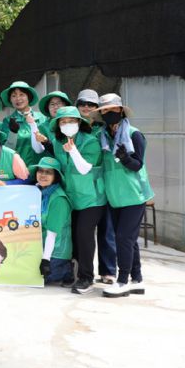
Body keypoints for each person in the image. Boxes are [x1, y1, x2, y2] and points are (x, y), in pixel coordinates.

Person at [36, 106, 107, 295]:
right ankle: (71, 272)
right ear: (58, 125)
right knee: (71, 235)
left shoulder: (91, 142)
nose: (67, 124)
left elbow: (85, 169)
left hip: (91, 198)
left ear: (79, 122)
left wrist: (74, 150)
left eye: (71, 121)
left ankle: (86, 278)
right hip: (70, 197)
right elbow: (57, 167)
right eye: (63, 121)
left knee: (84, 235)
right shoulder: (57, 143)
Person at [95, 94, 154, 298]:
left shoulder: (134, 134)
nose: (108, 113)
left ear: (120, 110)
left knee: (122, 238)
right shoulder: (103, 136)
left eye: (112, 109)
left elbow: (137, 165)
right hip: (115, 196)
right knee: (129, 240)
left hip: (134, 195)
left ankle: (122, 281)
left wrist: (125, 158)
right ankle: (137, 279)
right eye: (104, 110)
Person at [76, 88, 116, 283]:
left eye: (91, 104)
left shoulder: (104, 129)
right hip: (82, 188)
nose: (86, 107)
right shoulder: (72, 128)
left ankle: (108, 270)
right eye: (82, 104)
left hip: (105, 184)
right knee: (82, 232)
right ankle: (81, 269)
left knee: (106, 229)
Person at [33, 157, 74, 286]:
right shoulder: (37, 191)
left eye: (49, 172)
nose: (43, 175)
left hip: (56, 252)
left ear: (56, 176)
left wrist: (45, 260)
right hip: (39, 247)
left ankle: (67, 269)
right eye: (40, 170)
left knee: (38, 278)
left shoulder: (58, 199)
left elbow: (52, 235)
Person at [0, 81, 47, 169]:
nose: (18, 98)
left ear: (29, 97)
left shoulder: (42, 118)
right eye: (14, 96)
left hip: (41, 170)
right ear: (10, 100)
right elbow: (6, 149)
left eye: (21, 94)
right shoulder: (8, 121)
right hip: (18, 169)